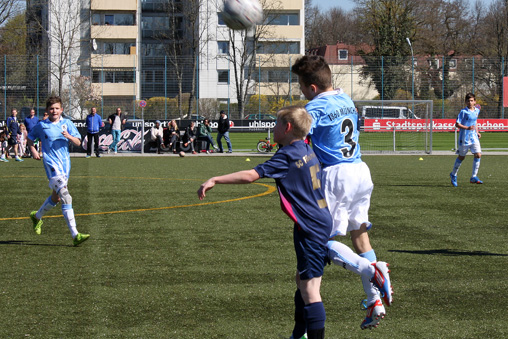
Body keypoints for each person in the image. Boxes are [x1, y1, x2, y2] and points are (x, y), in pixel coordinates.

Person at [198, 106, 329, 339]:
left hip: (310, 226)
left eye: (277, 123)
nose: (273, 128)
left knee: (310, 289)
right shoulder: (305, 148)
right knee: (302, 279)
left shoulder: (287, 155)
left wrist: (215, 179)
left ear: (287, 128)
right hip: (317, 220)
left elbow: (251, 176)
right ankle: (299, 334)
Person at [291, 56, 393, 324]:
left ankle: (371, 270)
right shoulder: (346, 98)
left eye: (301, 86)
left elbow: (298, 133)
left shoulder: (316, 106)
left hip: (336, 175)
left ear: (312, 87)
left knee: (320, 242)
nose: (301, 91)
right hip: (360, 169)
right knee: (360, 237)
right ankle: (375, 302)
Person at [26, 96, 90, 246]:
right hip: (51, 164)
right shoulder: (42, 126)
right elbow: (30, 138)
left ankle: (37, 216)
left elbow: (79, 142)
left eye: (57, 108)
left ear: (61, 110)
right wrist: (33, 150)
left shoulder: (67, 123)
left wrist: (69, 136)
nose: (54, 111)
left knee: (56, 198)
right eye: (51, 108)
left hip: (65, 164)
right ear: (47, 111)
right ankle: (75, 235)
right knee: (67, 197)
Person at [449, 93, 483, 186]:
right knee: (461, 157)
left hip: (474, 137)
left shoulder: (477, 110)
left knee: (478, 155)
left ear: (475, 101)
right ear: (466, 102)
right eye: (468, 101)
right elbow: (457, 124)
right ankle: (453, 174)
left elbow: (475, 122)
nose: (470, 102)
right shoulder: (463, 112)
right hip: (464, 138)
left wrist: (477, 132)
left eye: (472, 100)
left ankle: (473, 177)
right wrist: (467, 128)